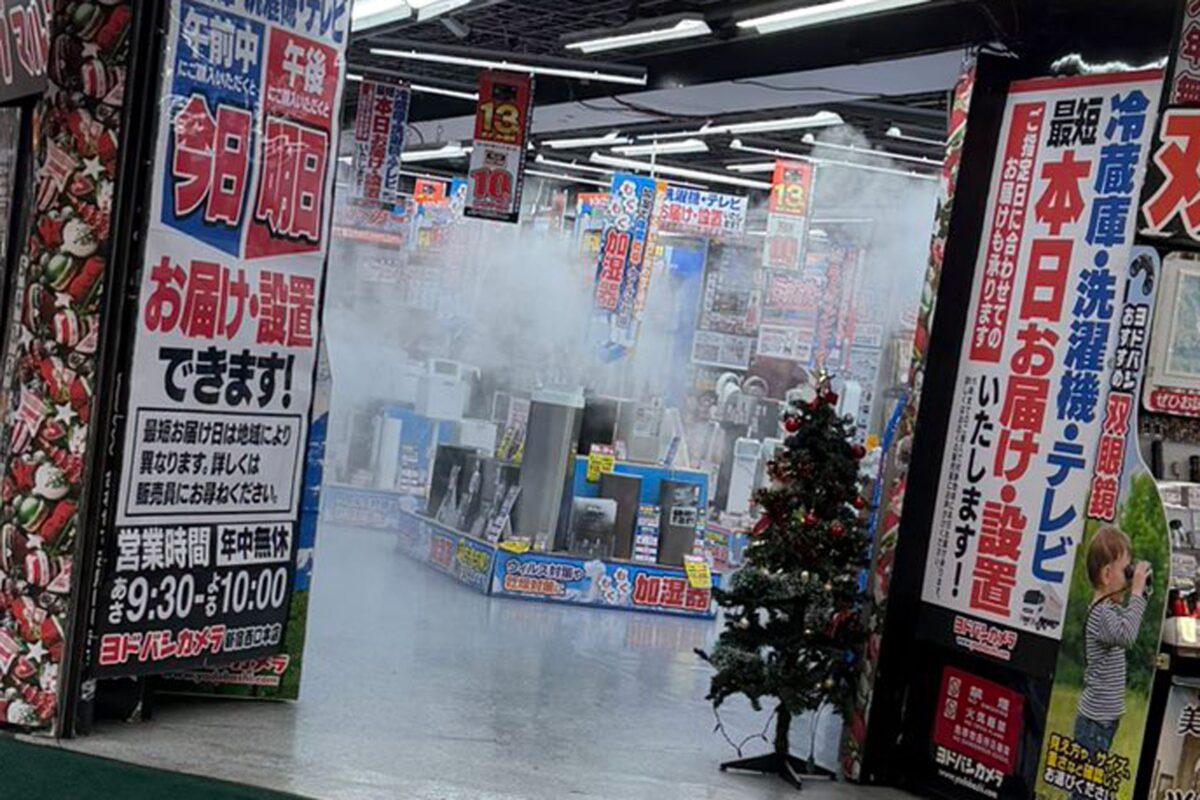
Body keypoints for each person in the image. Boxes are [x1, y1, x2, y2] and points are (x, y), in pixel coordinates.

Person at [1074, 525, 1149, 765]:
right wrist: (1136, 592)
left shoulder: (1108, 609)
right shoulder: (1102, 614)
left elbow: (1128, 622)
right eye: (1126, 570)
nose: (1129, 577)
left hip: (1102, 719)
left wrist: (1141, 593)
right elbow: (1127, 636)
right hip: (1095, 722)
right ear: (1107, 575)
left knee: (1092, 781)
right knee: (1086, 785)